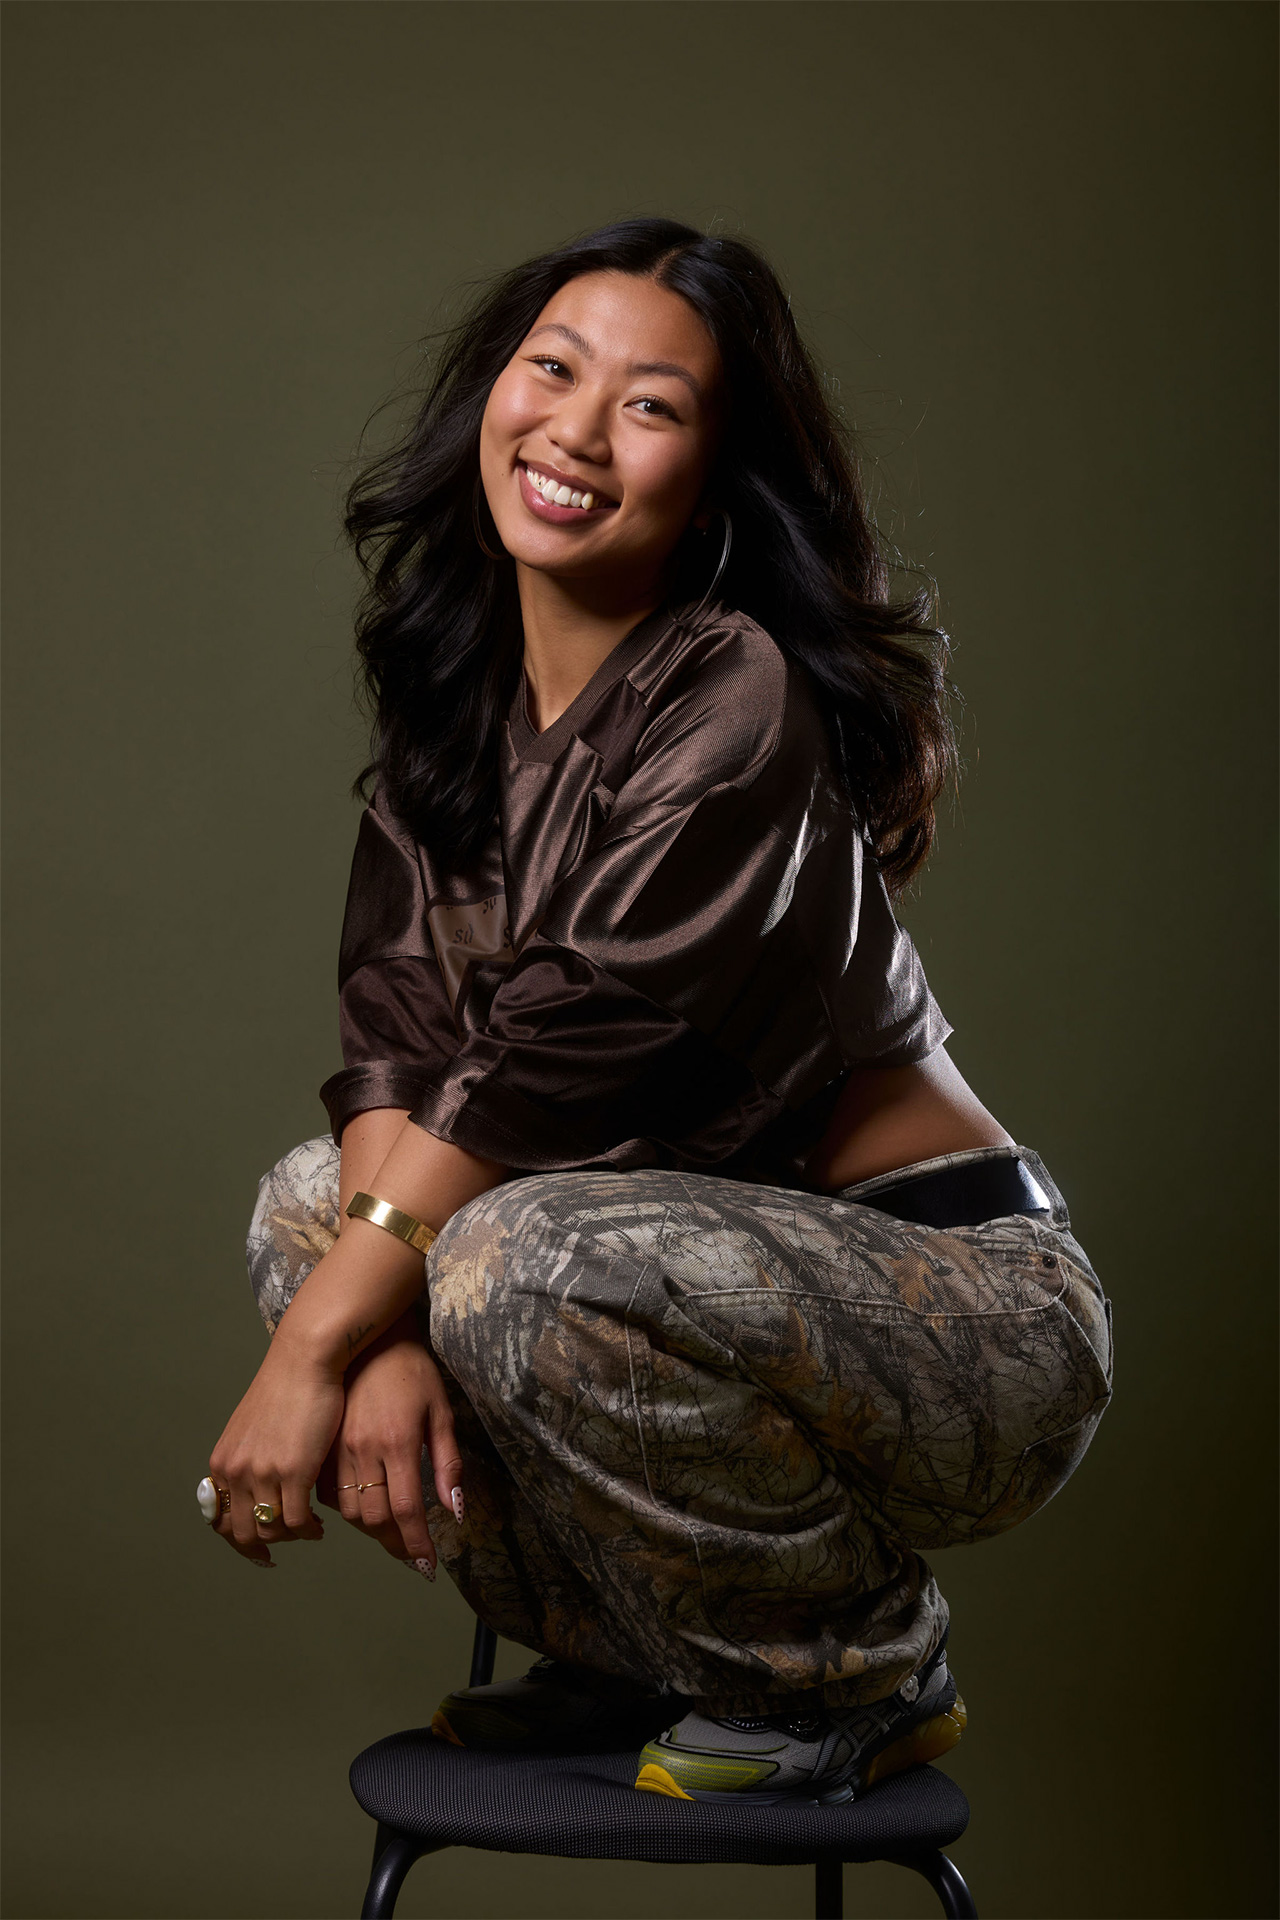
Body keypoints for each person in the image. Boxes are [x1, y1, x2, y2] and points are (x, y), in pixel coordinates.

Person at [200, 218, 1112, 1806]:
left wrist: (323, 1345)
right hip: (677, 1269)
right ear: (490, 394)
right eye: (552, 370)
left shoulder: (732, 688)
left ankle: (852, 1665)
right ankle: (636, 1645)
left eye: (650, 405)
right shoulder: (457, 714)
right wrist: (371, 1323)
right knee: (312, 1199)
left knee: (510, 1255)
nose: (573, 429)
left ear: (714, 476)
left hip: (961, 1313)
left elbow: (559, 1049)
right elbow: (398, 1045)